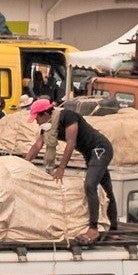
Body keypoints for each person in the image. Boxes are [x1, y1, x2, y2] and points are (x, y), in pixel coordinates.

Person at [26, 98, 118, 242]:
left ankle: (93, 229)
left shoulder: (68, 117)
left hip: (100, 149)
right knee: (107, 189)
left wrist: (61, 168)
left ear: (45, 114)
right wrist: (24, 163)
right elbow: (37, 146)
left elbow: (71, 142)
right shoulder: (49, 128)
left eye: (36, 118)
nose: (36, 122)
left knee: (90, 185)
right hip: (89, 154)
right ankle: (113, 229)